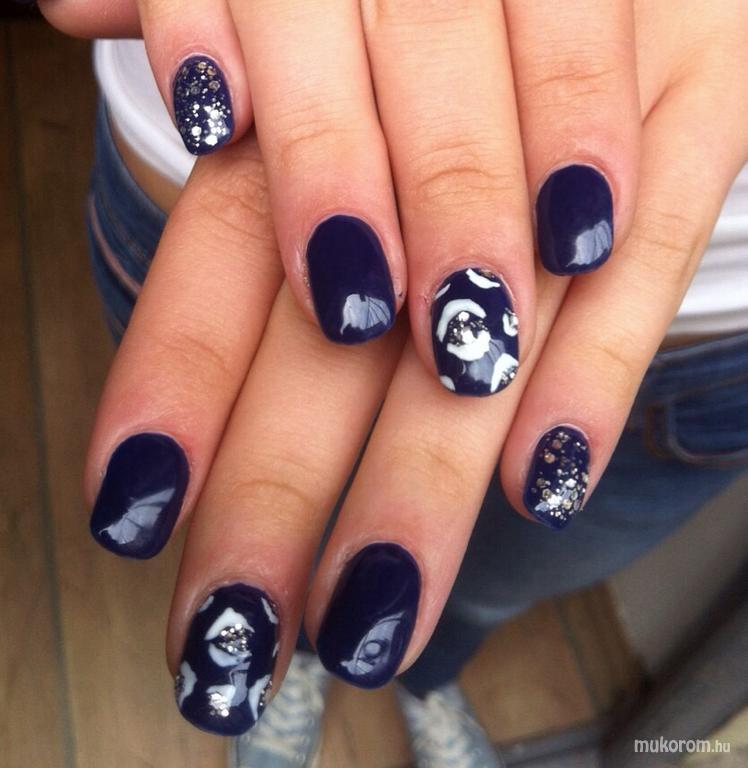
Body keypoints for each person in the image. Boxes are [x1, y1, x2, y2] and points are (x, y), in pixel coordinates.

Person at [31, 0, 748, 765]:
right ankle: (298, 664)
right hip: (239, 235)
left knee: (485, 589)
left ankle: (423, 675)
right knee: (279, 538)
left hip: (712, 341)